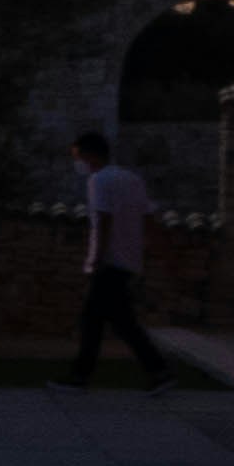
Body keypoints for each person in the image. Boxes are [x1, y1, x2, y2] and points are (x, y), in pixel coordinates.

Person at [60, 127, 172, 393]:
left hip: (109, 263)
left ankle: (82, 376)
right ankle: (156, 371)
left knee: (98, 320)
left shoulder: (99, 181)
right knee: (113, 321)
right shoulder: (131, 179)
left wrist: (96, 260)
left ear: (90, 156)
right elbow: (148, 218)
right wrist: (155, 252)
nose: (78, 164)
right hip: (127, 261)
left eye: (78, 157)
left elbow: (104, 221)